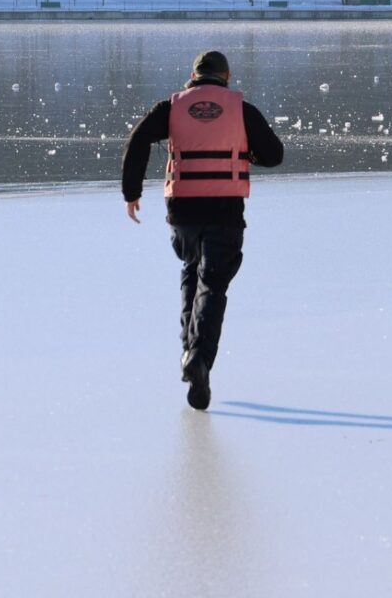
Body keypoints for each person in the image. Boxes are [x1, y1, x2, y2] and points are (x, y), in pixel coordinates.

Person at [121, 50, 284, 411]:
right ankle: (199, 358)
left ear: (192, 76)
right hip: (225, 208)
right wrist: (248, 153)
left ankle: (189, 354)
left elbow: (137, 140)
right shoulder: (241, 109)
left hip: (183, 210)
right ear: (226, 77)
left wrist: (131, 193)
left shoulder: (173, 107)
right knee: (213, 284)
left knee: (191, 274)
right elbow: (274, 154)